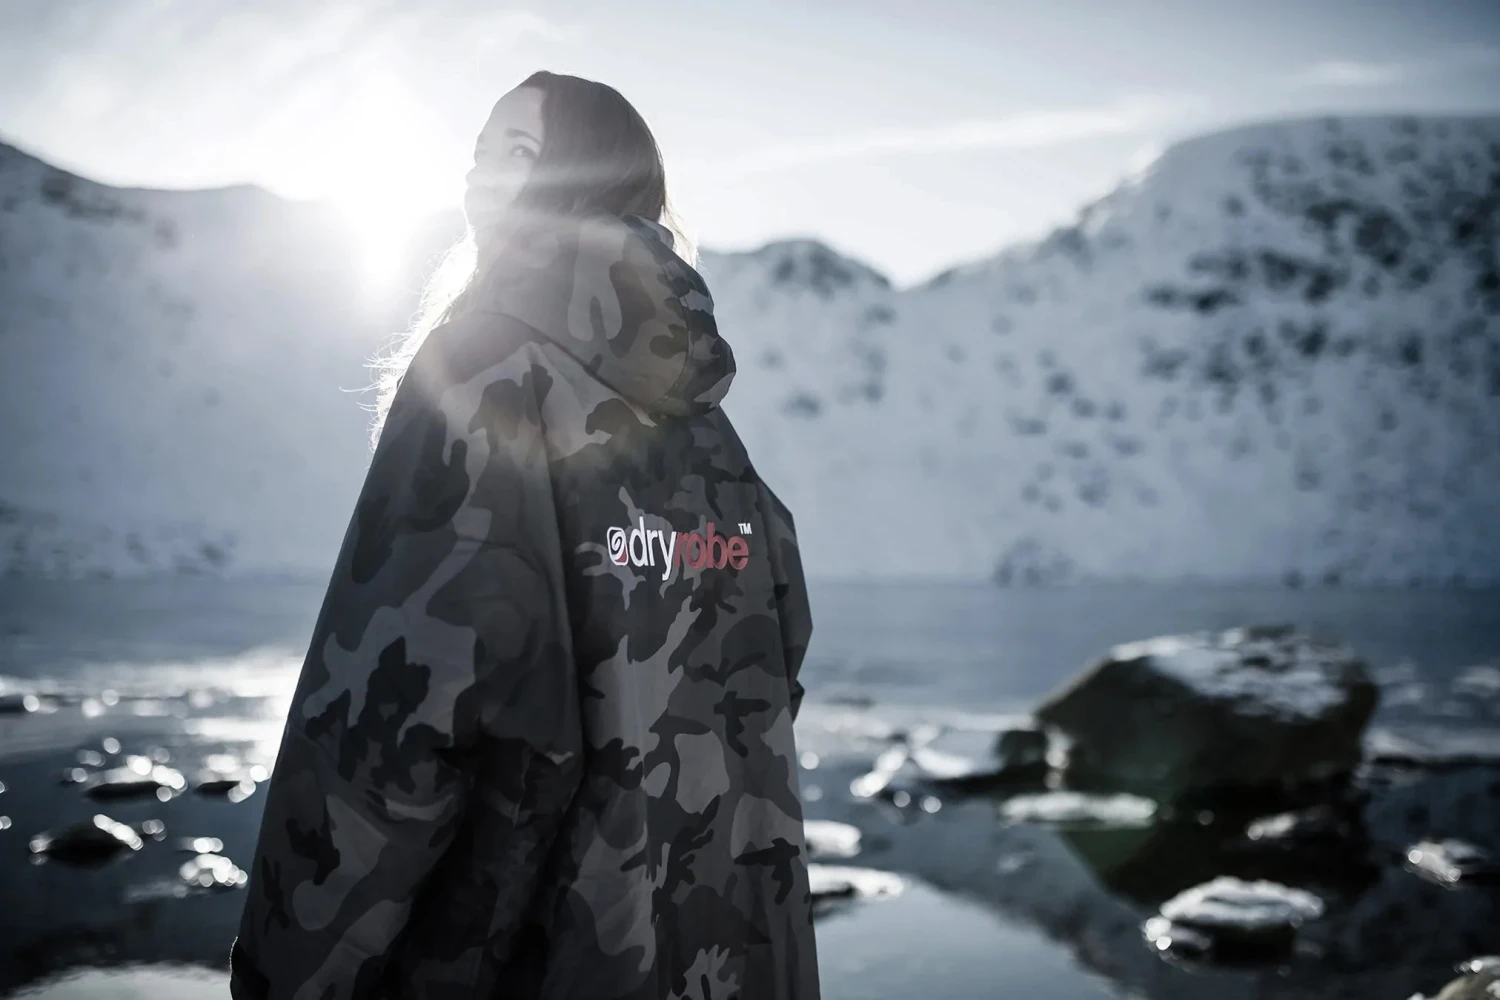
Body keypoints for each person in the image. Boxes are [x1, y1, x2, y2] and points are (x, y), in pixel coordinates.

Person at [228, 70, 819, 999]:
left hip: (530, 954)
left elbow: (394, 711)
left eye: (515, 151)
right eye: (477, 152)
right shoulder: (713, 436)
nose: (475, 176)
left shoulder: (484, 367)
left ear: (580, 173)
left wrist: (289, 970)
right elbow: (774, 657)